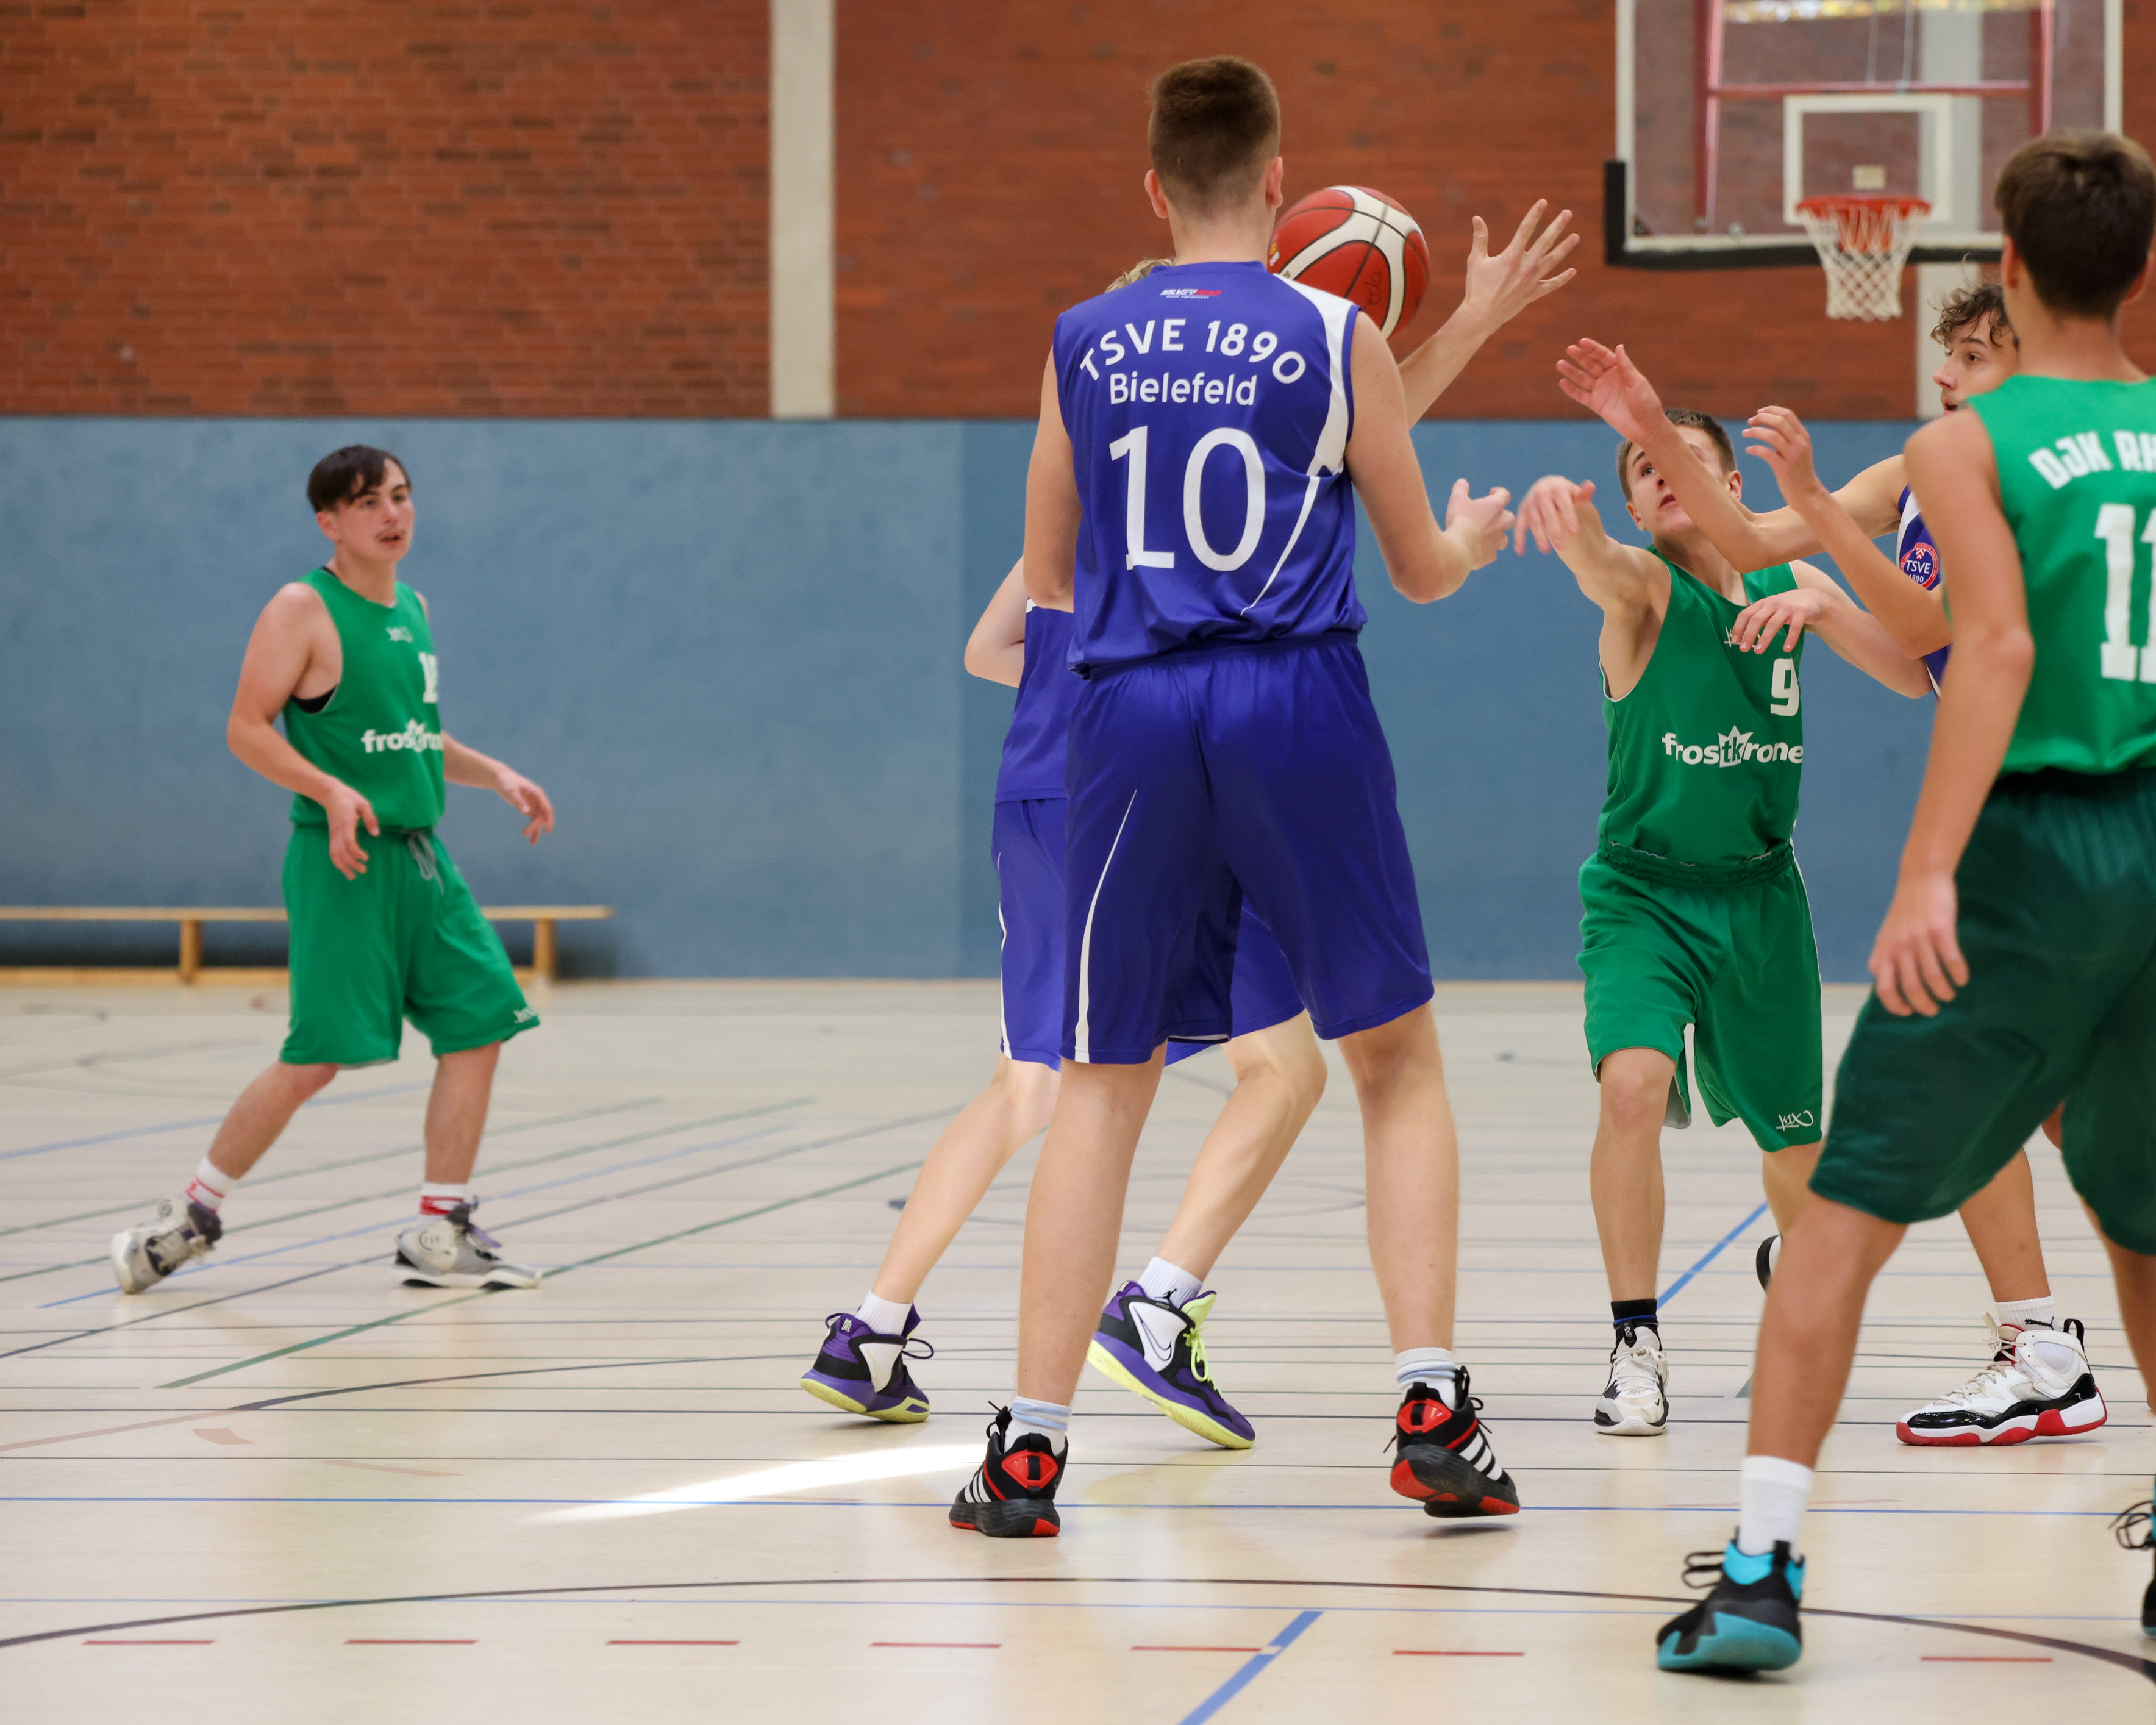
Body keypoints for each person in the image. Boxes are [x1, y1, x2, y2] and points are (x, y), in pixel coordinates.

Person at [1654, 129, 2156, 1674]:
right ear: (2141, 269)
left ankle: (1759, 1568)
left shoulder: (1974, 443)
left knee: (1843, 1208)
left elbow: (1991, 652)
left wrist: (1928, 870)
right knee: (2136, 1186)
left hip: (2047, 841)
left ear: (2009, 269)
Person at [804, 206, 1577, 1448]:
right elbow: (1357, 462)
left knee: (1064, 1084)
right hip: (1217, 743)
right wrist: (1466, 415)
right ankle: (1194, 1318)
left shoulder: (1101, 414)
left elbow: (1016, 619)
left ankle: (939, 1365)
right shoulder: (1291, 373)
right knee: (1333, 1064)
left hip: (1083, 767)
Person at [1558, 288, 2156, 1442]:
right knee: (2064, 1102)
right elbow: (1767, 553)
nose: (1948, 375)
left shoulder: (2026, 486)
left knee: (1959, 1078)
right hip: (2063, 825)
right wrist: (1658, 433)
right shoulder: (1924, 470)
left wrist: (1815, 506)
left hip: (2059, 812)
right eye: (1946, 354)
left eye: (1973, 354)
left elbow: (1923, 625)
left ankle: (2044, 1350)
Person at [948, 56, 1519, 1539]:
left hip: (1130, 711)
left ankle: (1027, 1449)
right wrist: (1466, 539)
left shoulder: (1083, 338)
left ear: (1153, 187)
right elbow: (1418, 568)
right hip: (1294, 697)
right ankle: (1433, 1410)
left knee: (1104, 1078)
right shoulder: (1337, 332)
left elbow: (1053, 574)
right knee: (1392, 1057)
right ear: (1279, 181)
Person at [1512, 415, 1926, 1437]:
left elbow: (1910, 669)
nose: (1660, 475)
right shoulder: (1645, 590)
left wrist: (1825, 602)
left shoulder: (1790, 583)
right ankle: (1635, 1342)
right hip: (1643, 893)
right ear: (1631, 503)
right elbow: (1599, 566)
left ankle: (1793, 1268)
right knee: (1630, 1087)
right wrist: (1568, 526)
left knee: (1798, 1150)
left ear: (1733, 484)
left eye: (1680, 459)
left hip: (1761, 897)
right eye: (1641, 468)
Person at [109, 447, 556, 1296]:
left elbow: (415, 735)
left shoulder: (414, 607)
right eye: (367, 502)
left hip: (423, 860)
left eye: (401, 496)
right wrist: (329, 789)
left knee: (480, 1025)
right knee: (317, 1058)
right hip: (341, 860)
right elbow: (247, 727)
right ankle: (189, 1217)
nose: (392, 514)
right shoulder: (301, 608)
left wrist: (495, 772)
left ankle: (440, 1229)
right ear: (329, 522)